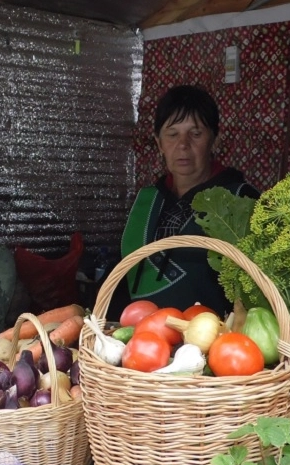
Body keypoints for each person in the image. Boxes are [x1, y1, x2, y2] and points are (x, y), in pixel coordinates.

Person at [109, 85, 259, 319]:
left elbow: (256, 283)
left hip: (215, 335)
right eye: (172, 134)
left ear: (215, 141)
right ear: (159, 143)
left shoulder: (240, 199)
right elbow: (121, 279)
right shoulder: (147, 200)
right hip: (143, 336)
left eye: (196, 134)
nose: (183, 145)